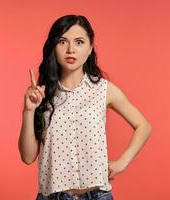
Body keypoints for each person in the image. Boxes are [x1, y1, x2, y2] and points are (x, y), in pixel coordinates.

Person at [18, 14, 152, 200]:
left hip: (98, 195)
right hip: (53, 196)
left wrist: (122, 162)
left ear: (90, 48)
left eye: (79, 42)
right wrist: (29, 110)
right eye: (63, 42)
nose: (71, 49)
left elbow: (143, 126)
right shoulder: (43, 94)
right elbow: (27, 157)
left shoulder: (104, 90)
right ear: (53, 47)